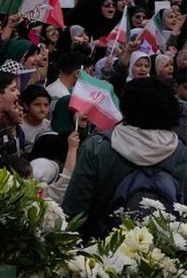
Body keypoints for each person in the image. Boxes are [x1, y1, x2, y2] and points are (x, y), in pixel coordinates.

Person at [63, 78, 187, 236]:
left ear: (125, 108)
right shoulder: (182, 152)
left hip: (102, 246)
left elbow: (74, 211)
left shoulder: (97, 147)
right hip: (166, 246)